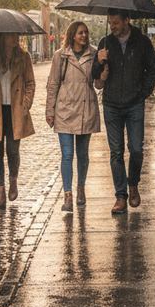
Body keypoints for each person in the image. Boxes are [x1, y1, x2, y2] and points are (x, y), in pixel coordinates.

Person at [92, 11, 155, 214]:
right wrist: (99, 61)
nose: (112, 26)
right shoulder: (105, 42)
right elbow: (95, 76)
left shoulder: (142, 42)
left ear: (126, 21)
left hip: (134, 104)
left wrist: (143, 93)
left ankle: (133, 184)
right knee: (116, 152)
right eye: (110, 23)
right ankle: (121, 196)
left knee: (136, 148)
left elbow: (153, 70)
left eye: (116, 22)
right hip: (111, 104)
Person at [45, 21, 101, 212]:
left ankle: (81, 188)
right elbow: (52, 84)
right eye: (80, 33)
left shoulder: (94, 54)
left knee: (83, 155)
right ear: (72, 35)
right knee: (67, 155)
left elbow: (100, 84)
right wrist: (49, 111)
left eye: (86, 32)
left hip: (86, 109)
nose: (84, 36)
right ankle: (67, 195)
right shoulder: (60, 56)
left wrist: (103, 64)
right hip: (65, 111)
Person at [0, 32, 36, 210]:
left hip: (15, 110)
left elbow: (31, 83)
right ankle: (0, 193)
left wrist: (26, 104)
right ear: (3, 37)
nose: (16, 39)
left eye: (17, 35)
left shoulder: (23, 57)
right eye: (11, 36)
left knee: (13, 150)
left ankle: (13, 181)